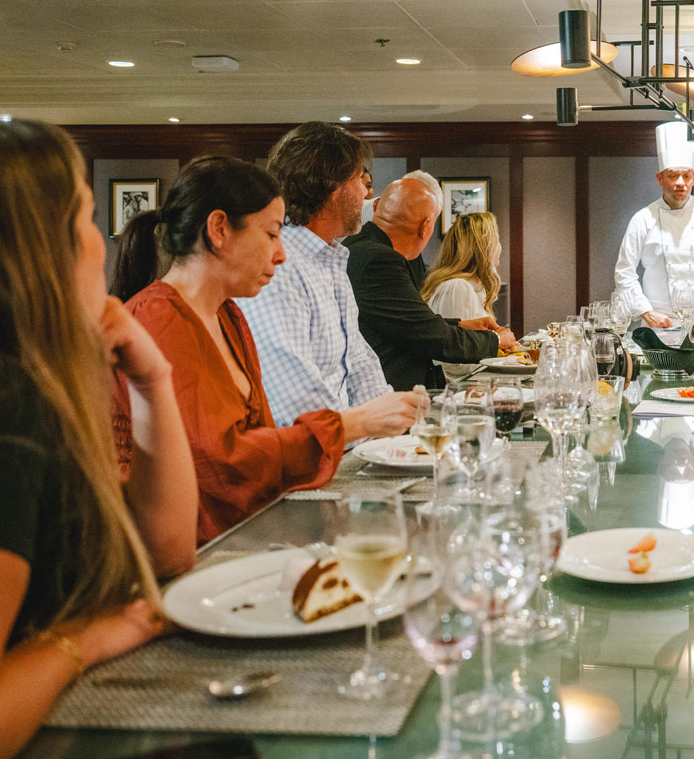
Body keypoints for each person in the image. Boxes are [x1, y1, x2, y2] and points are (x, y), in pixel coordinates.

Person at [0, 119, 197, 757]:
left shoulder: (15, 385)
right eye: (89, 217)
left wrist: (153, 380)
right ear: (43, 246)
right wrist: (86, 639)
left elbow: (167, 553)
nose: (102, 241)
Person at [111, 157, 413, 544]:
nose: (282, 254)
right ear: (219, 229)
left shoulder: (229, 315)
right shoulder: (159, 318)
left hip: (239, 533)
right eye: (272, 234)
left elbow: (261, 442)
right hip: (180, 553)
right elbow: (221, 464)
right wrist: (353, 424)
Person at [234, 121, 426, 431]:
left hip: (341, 449)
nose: (366, 192)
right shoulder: (278, 268)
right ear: (332, 188)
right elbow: (296, 402)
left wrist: (395, 432)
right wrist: (368, 430)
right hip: (306, 464)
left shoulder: (331, 259)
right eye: (359, 180)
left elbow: (359, 363)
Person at [345, 178, 513, 391]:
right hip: (386, 394)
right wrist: (495, 340)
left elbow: (405, 321)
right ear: (425, 227)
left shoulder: (358, 247)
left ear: (377, 206)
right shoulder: (381, 260)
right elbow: (427, 336)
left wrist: (459, 325)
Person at [614, 121, 694, 327]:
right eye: (673, 176)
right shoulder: (642, 219)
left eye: (686, 175)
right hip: (659, 321)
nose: (680, 182)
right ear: (659, 178)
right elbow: (624, 271)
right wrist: (646, 312)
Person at [422, 211, 511, 381]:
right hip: (456, 394)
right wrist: (500, 352)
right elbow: (453, 364)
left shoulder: (475, 287)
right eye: (497, 239)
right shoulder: (456, 287)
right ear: (485, 247)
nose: (500, 245)